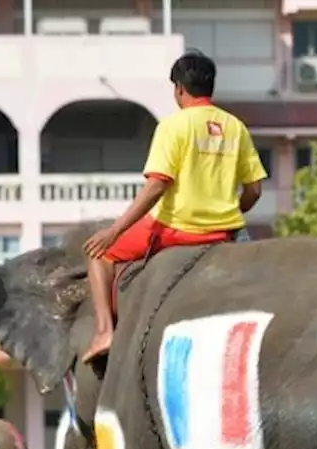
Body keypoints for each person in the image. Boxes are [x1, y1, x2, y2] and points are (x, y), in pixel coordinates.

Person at [80, 49, 268, 363]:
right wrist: (228, 209)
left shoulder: (173, 126)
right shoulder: (236, 127)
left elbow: (156, 186)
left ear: (179, 88)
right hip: (228, 232)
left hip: (177, 229)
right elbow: (254, 190)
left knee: (97, 254)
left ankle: (103, 332)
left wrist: (114, 231)